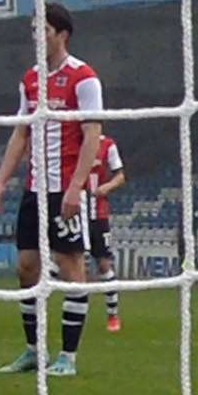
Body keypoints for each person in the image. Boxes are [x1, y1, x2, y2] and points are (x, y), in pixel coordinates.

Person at [0, 2, 103, 377]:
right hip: (35, 189)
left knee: (71, 266)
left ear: (62, 34)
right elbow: (21, 133)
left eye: (44, 30)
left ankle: (68, 356)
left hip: (65, 189)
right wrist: (2, 180)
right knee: (26, 266)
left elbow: (92, 135)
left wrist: (76, 188)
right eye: (34, 30)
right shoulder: (31, 79)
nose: (38, 37)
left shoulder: (83, 77)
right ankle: (33, 350)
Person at [88, 131, 126, 332]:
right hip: (76, 211)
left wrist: (107, 187)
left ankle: (112, 315)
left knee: (103, 264)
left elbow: (120, 176)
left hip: (99, 214)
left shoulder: (108, 145)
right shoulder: (73, 142)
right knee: (67, 262)